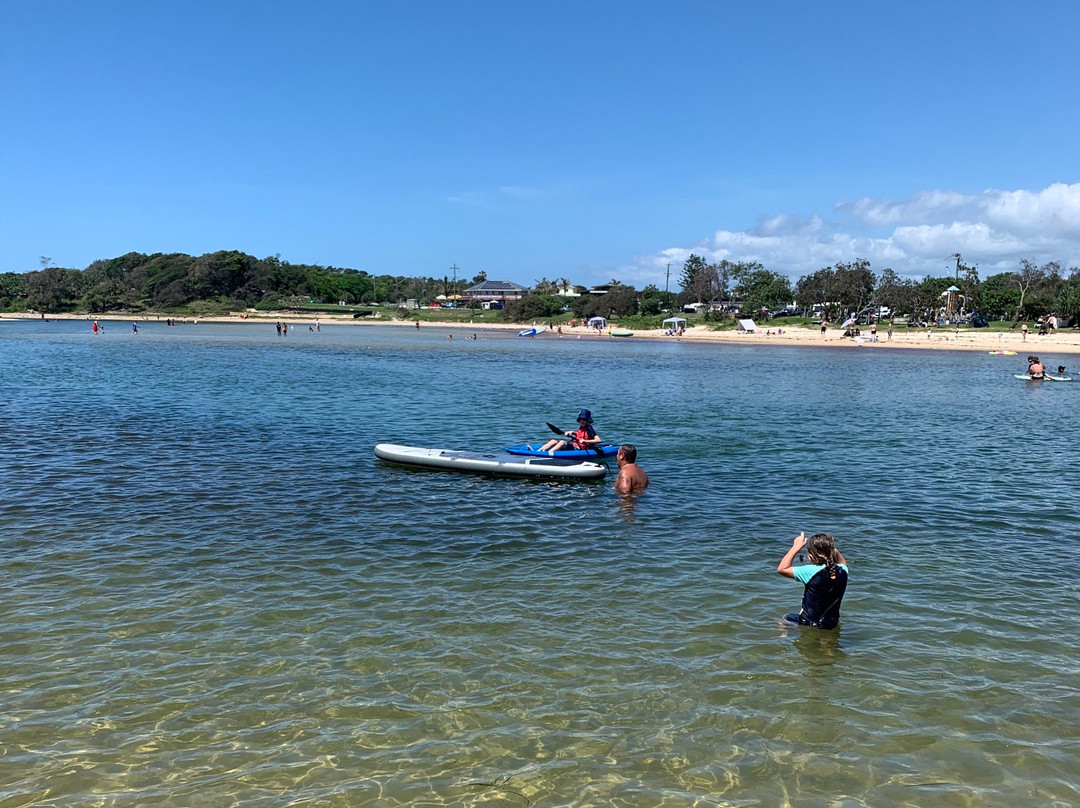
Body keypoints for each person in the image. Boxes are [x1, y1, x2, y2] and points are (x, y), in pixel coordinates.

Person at [777, 532, 849, 629]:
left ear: (811, 556)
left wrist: (796, 547)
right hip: (831, 622)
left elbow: (782, 569)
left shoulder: (810, 571)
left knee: (785, 617)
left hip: (808, 622)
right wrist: (830, 549)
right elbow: (843, 562)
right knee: (829, 643)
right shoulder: (843, 570)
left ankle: (783, 634)